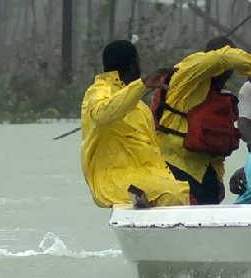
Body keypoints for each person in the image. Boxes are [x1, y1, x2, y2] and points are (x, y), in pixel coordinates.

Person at [156, 37, 251, 205]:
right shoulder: (188, 73)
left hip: (204, 174)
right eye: (227, 67)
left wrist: (218, 179)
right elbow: (223, 57)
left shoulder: (219, 95)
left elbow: (215, 146)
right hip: (174, 166)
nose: (227, 72)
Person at [80, 40, 190, 208]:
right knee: (172, 195)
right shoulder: (98, 92)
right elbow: (103, 113)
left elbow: (151, 151)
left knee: (179, 192)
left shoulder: (140, 106)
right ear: (133, 66)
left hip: (148, 178)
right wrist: (142, 85)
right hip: (114, 179)